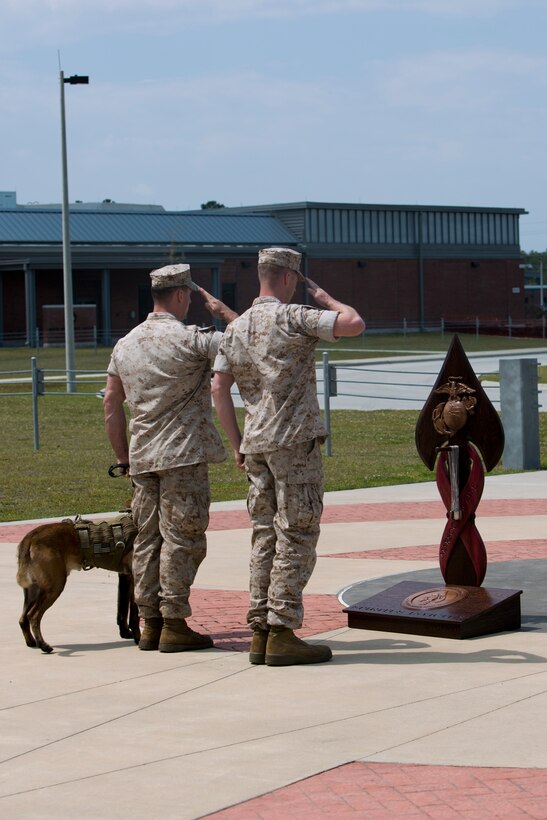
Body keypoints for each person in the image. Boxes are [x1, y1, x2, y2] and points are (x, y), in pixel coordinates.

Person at [212, 247, 365, 666]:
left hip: (256, 444)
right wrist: (327, 300)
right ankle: (282, 630)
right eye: (296, 280)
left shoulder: (236, 327)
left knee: (265, 534)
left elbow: (218, 389)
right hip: (293, 443)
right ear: (288, 277)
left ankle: (260, 628)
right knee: (297, 533)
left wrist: (237, 441)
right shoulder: (293, 316)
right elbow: (354, 323)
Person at [104, 263, 237, 653]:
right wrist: (223, 313)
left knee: (147, 540)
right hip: (183, 457)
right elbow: (246, 343)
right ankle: (175, 622)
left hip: (143, 459)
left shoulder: (125, 344)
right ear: (181, 295)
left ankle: (151, 624)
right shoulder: (192, 339)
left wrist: (123, 459)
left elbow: (112, 404)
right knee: (183, 538)